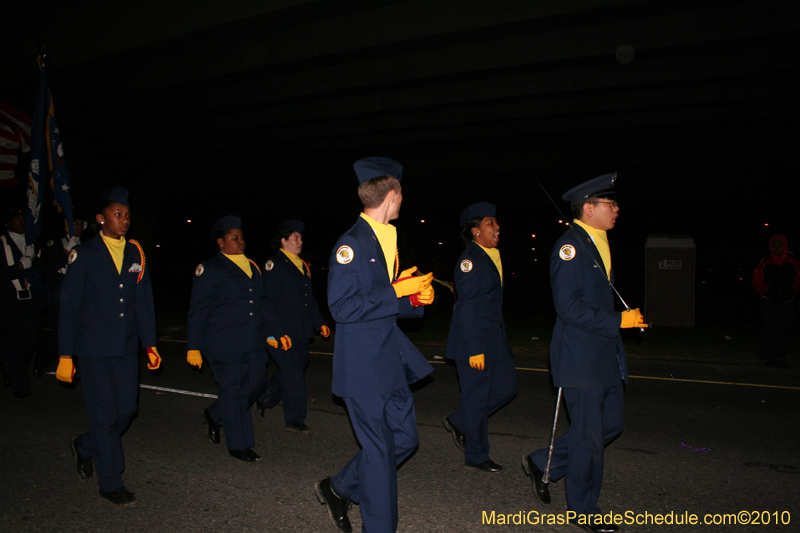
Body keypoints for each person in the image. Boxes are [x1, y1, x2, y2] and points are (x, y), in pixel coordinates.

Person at [314, 157, 435, 533]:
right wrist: (397, 290)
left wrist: (414, 301)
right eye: (402, 194)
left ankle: (339, 487)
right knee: (380, 453)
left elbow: (383, 303)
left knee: (404, 439)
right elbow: (343, 307)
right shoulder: (351, 243)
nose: (403, 201)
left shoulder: (387, 238)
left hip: (390, 359)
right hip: (363, 365)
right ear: (392, 195)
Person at [521, 173, 647, 533]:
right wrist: (618, 320)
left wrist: (618, 324)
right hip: (580, 359)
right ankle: (583, 509)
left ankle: (542, 461)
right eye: (611, 204)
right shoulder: (571, 247)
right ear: (588, 208)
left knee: (611, 425)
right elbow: (568, 307)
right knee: (589, 441)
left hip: (604, 355)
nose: (617, 209)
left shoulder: (597, 241)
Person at [56, 186, 160, 507]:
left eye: (127, 215)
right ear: (101, 220)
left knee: (126, 409)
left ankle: (85, 445)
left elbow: (143, 302)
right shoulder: (84, 254)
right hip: (93, 348)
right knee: (103, 414)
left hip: (126, 347)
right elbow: (70, 305)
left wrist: (150, 345)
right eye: (118, 215)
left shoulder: (135, 253)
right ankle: (111, 481)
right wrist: (65, 354)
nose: (124, 220)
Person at [186, 215, 272, 462]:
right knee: (233, 391)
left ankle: (215, 414)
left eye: (242, 237)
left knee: (255, 384)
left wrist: (273, 332)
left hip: (253, 340)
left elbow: (260, 304)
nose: (240, 241)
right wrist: (193, 347)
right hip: (222, 341)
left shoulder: (253, 266)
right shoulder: (210, 268)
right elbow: (198, 308)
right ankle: (239, 444)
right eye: (234, 238)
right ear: (221, 242)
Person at [443, 202, 517, 472]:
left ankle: (460, 420)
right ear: (475, 231)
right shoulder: (470, 261)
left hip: (494, 339)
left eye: (496, 223)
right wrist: (474, 348)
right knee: (476, 399)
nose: (496, 228)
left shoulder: (491, 255)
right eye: (490, 223)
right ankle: (476, 454)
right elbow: (466, 307)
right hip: (473, 343)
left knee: (507, 388)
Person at [255, 219, 330, 433]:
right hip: (279, 333)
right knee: (293, 376)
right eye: (295, 238)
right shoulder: (275, 264)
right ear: (283, 241)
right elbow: (266, 304)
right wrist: (278, 333)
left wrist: (319, 322)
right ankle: (295, 419)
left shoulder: (302, 264)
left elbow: (308, 299)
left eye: (300, 238)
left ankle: (264, 398)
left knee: (295, 370)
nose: (300, 241)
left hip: (301, 330)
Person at [34, 218, 85, 378]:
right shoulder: (56, 243)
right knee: (60, 331)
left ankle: (75, 366)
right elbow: (51, 266)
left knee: (77, 331)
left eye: (80, 224)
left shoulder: (85, 246)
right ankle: (40, 360)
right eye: (74, 223)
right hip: (59, 294)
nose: (77, 227)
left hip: (78, 294)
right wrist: (66, 250)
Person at [752, 234, 800, 367]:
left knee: (783, 329)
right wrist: (766, 290)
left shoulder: (793, 262)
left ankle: (780, 357)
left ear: (784, 246)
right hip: (768, 301)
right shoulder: (764, 262)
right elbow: (756, 280)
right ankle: (766, 357)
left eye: (780, 245)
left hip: (788, 302)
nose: (777, 248)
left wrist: (793, 289)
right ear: (771, 247)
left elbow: (799, 278)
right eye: (775, 245)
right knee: (769, 328)